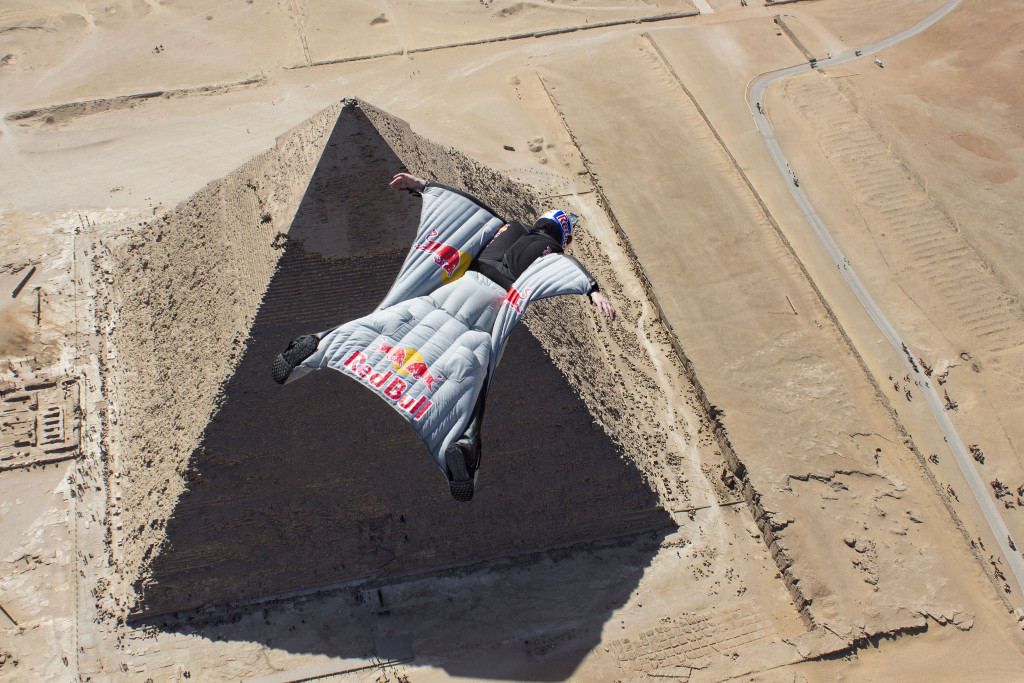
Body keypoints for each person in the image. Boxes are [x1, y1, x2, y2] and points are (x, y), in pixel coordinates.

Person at [273, 173, 615, 501]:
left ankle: (318, 346)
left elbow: (460, 206)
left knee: (390, 322)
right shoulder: (551, 253)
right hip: (490, 307)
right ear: (562, 237)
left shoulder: (502, 227)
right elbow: (563, 271)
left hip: (454, 289)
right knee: (470, 372)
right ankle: (463, 446)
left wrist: (420, 186)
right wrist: (592, 290)